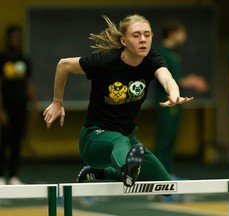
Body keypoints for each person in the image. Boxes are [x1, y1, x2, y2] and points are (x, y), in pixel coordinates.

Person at [43, 14, 193, 187]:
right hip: (94, 138)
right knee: (119, 142)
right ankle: (127, 168)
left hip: (127, 139)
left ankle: (101, 173)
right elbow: (63, 65)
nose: (143, 40)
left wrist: (174, 93)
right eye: (136, 35)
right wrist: (57, 102)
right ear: (124, 41)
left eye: (147, 34)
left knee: (165, 185)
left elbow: (166, 78)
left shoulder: (152, 59)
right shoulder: (106, 61)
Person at [153, 21, 208, 178]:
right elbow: (166, 79)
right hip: (165, 100)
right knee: (164, 140)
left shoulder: (174, 53)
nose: (184, 37)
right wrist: (190, 81)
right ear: (172, 33)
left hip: (176, 102)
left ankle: (168, 173)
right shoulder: (161, 52)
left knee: (171, 139)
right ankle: (159, 175)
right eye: (181, 33)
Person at [0, 25, 38, 185]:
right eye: (13, 37)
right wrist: (1, 110)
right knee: (3, 142)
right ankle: (1, 176)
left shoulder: (24, 60)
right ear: (8, 39)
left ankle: (13, 175)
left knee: (17, 141)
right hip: (5, 107)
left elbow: (28, 84)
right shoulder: (2, 59)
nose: (15, 40)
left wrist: (34, 106)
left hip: (20, 106)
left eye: (18, 37)